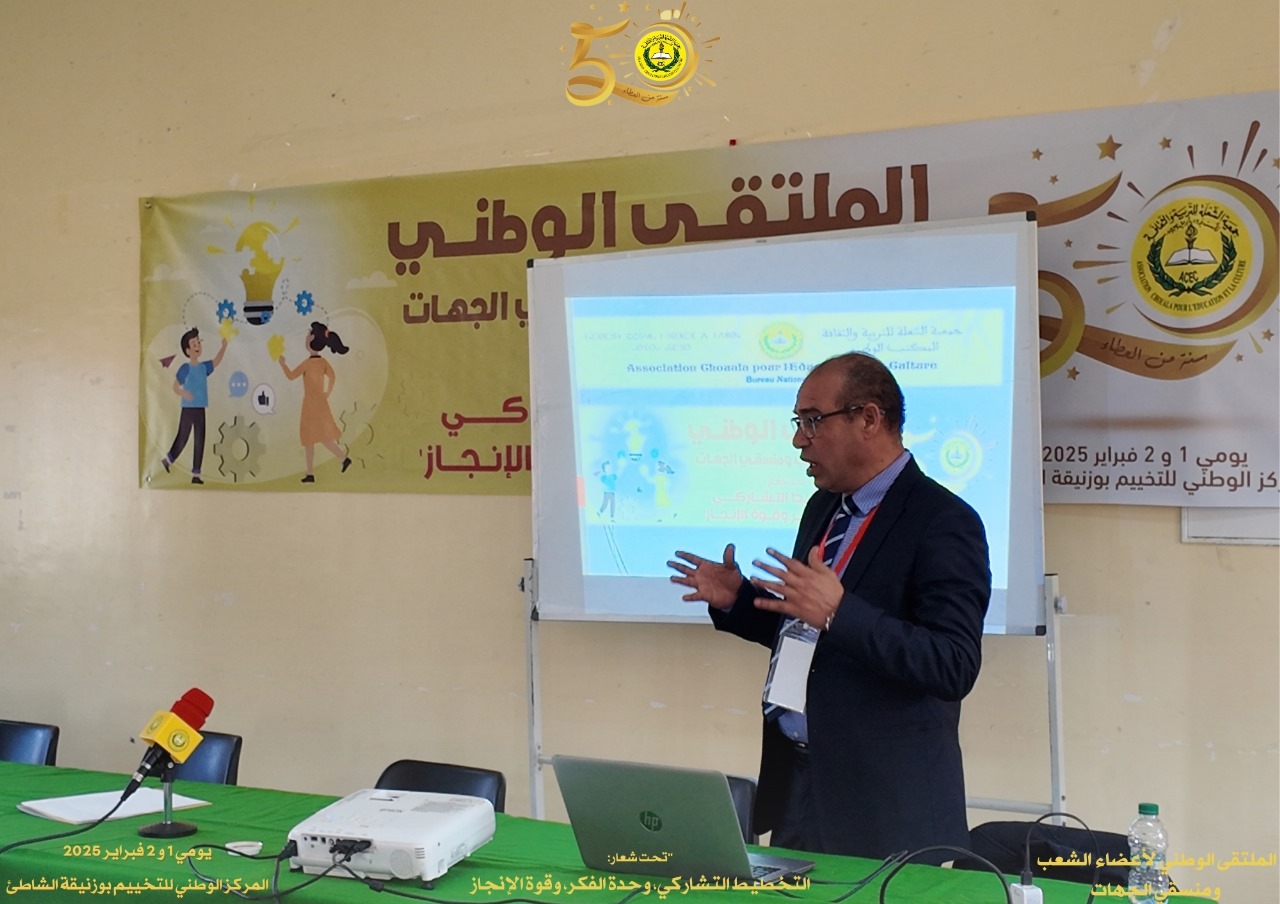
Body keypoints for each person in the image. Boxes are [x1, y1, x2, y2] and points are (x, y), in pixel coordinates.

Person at [668, 352, 990, 862]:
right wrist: (740, 601)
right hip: (799, 787)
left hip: (886, 809)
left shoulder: (944, 520)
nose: (800, 439)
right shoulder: (822, 508)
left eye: (813, 421)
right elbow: (811, 637)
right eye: (798, 422)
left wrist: (841, 612)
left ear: (869, 418)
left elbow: (952, 664)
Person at [278, 322, 352, 483]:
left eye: (308, 335)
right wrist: (327, 392)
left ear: (311, 338)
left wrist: (282, 364)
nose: (306, 338)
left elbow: (291, 376)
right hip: (319, 403)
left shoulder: (308, 363)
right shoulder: (322, 362)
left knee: (311, 438)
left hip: (311, 404)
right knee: (320, 437)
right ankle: (340, 459)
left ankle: (313, 472)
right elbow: (332, 376)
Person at [161, 326, 228, 485]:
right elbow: (175, 387)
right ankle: (168, 460)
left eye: (198, 342)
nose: (198, 346)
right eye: (194, 344)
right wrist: (185, 394)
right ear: (187, 350)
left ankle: (196, 474)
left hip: (200, 409)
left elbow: (216, 361)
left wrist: (224, 346)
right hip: (188, 409)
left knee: (200, 440)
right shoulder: (185, 368)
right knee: (182, 437)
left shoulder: (203, 367)